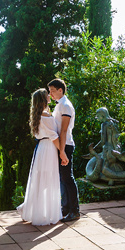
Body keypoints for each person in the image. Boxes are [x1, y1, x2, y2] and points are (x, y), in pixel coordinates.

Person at [17, 88, 62, 225]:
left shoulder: (38, 115)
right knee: (47, 181)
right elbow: (54, 136)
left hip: (42, 148)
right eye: (46, 95)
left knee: (41, 181)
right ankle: (31, 209)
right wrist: (62, 152)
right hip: (49, 148)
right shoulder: (46, 116)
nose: (49, 96)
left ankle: (28, 208)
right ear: (43, 99)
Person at [48, 78, 80, 221]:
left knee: (68, 178)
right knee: (63, 178)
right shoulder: (59, 105)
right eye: (49, 91)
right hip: (61, 145)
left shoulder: (65, 105)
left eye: (52, 91)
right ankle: (66, 208)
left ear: (60, 90)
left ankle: (75, 211)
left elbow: (64, 130)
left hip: (65, 145)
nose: (50, 94)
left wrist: (61, 151)